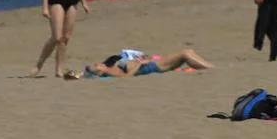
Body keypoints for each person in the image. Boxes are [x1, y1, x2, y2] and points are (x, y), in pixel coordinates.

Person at [66, 48, 214, 79]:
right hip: (152, 67)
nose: (99, 64)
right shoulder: (110, 72)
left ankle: (211, 68)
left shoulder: (109, 68)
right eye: (97, 66)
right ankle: (212, 69)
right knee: (185, 54)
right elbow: (127, 77)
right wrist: (139, 63)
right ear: (98, 72)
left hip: (150, 64)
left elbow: (79, 76)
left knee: (187, 53)